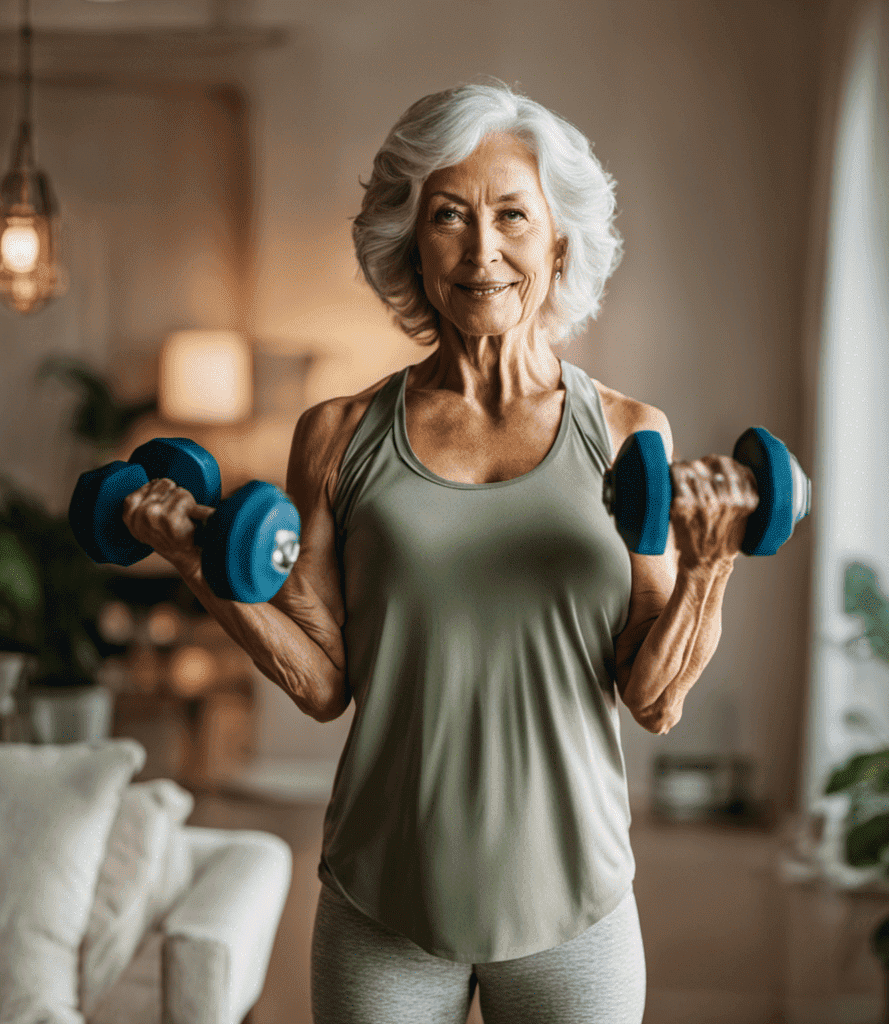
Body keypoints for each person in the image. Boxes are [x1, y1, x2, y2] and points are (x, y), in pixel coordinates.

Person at [121, 81, 758, 1024]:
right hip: (385, 905)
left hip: (575, 909)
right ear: (409, 241)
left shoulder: (630, 436)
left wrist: (710, 564)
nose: (483, 249)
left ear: (558, 239)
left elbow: (654, 698)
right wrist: (198, 562)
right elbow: (323, 681)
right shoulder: (336, 435)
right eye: (449, 216)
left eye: (512, 215)